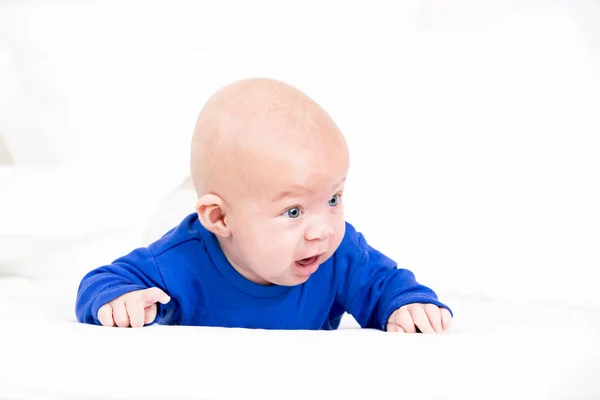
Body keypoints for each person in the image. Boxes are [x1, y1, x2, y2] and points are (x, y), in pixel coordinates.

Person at [75, 78, 453, 333]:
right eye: (294, 211)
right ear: (220, 218)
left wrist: (408, 306)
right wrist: (117, 300)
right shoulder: (177, 260)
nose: (322, 229)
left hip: (236, 218)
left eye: (333, 199)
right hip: (193, 228)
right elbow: (102, 281)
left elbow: (386, 284)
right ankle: (189, 192)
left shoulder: (337, 254)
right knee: (172, 216)